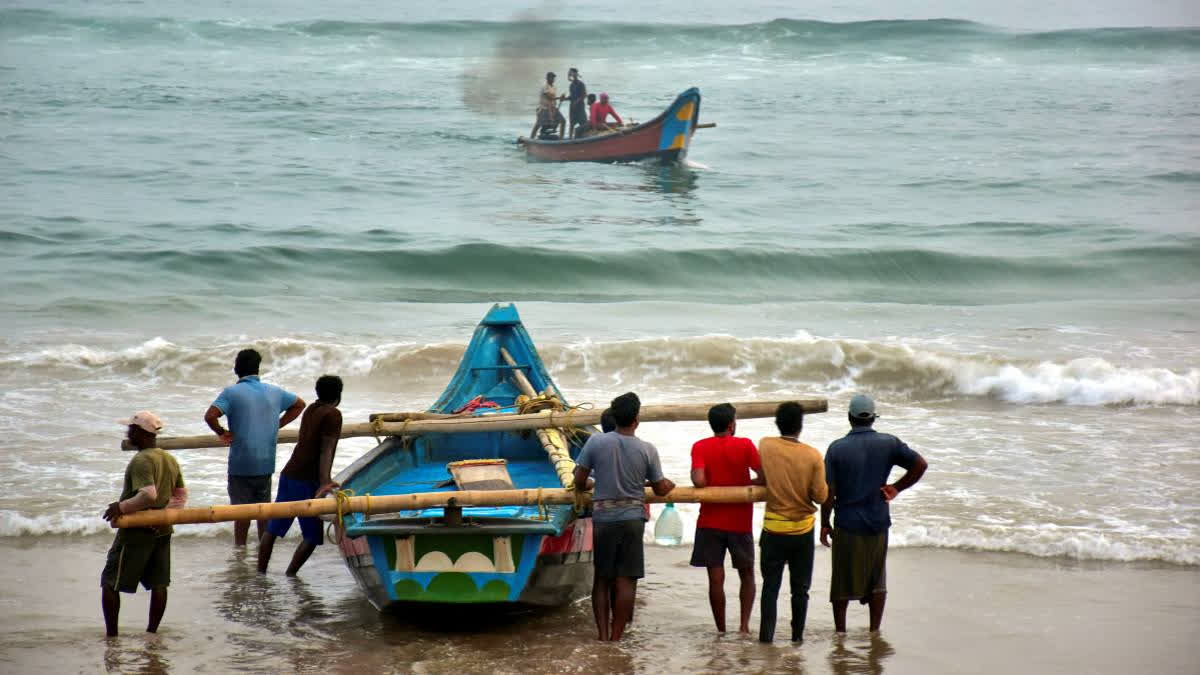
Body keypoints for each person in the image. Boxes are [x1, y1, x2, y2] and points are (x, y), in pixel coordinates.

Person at [820, 394, 927, 633]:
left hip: (847, 523)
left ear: (850, 418)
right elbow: (921, 465)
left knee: (842, 581)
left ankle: (840, 632)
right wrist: (897, 488)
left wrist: (825, 523)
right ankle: (874, 630)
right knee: (877, 579)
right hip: (878, 521)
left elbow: (829, 491)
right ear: (872, 419)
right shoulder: (889, 443)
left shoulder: (837, 449)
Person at [573, 392, 675, 641]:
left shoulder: (596, 442)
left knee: (602, 579)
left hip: (603, 518)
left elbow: (578, 480)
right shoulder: (647, 449)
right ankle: (617, 639)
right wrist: (668, 485)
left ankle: (603, 635)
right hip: (632, 519)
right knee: (626, 580)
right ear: (636, 419)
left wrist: (591, 485)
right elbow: (660, 488)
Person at [204, 348, 305, 546]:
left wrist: (222, 432)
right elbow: (300, 404)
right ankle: (262, 553)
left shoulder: (231, 393)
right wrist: (277, 424)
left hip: (241, 463)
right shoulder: (275, 391)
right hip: (266, 463)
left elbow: (210, 416)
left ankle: (240, 554)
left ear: (236, 369)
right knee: (263, 512)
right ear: (257, 369)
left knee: (241, 514)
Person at [101, 411, 188, 637]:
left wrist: (121, 508)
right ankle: (152, 635)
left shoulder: (141, 460)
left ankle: (112, 637)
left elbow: (148, 495)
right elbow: (181, 496)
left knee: (110, 582)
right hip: (162, 529)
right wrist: (161, 518)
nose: (127, 432)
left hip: (136, 531)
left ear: (140, 433)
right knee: (159, 583)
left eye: (131, 429)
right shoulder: (169, 458)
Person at [258, 375, 344, 575]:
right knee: (313, 535)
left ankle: (260, 573)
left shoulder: (311, 409)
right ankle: (290, 574)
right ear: (338, 395)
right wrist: (325, 482)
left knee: (273, 528)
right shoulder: (333, 414)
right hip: (307, 480)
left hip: (290, 474)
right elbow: (326, 449)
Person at [757, 401, 828, 643]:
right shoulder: (812, 455)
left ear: (777, 423)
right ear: (801, 426)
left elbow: (763, 475)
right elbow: (820, 496)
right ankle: (797, 638)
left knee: (770, 588)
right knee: (800, 591)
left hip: (773, 529)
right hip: (802, 532)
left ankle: (766, 638)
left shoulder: (765, 445)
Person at [689, 403, 763, 634]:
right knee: (747, 574)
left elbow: (699, 481)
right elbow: (765, 476)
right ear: (732, 424)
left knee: (715, 578)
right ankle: (743, 627)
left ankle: (721, 629)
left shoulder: (700, 446)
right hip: (739, 521)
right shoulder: (745, 445)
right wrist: (746, 485)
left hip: (710, 520)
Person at [530, 71, 566, 139]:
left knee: (563, 121)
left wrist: (562, 98)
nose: (553, 79)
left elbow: (554, 99)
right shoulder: (545, 86)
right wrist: (559, 98)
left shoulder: (554, 87)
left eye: (553, 78)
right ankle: (531, 139)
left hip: (552, 108)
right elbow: (549, 97)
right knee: (538, 124)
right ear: (547, 78)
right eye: (551, 78)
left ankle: (561, 138)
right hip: (544, 109)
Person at [566, 67, 587, 138]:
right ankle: (570, 139)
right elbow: (571, 96)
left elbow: (584, 95)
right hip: (572, 108)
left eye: (572, 73)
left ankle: (583, 138)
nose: (571, 75)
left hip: (580, 108)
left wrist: (576, 102)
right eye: (570, 73)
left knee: (583, 124)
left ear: (575, 74)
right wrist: (564, 99)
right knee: (572, 124)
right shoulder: (571, 85)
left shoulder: (581, 84)